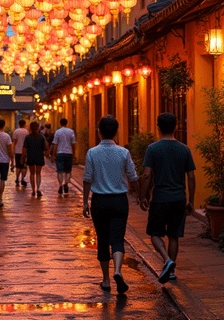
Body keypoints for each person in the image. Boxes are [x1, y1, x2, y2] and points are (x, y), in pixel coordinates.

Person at [83, 116, 140, 295]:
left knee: (102, 239)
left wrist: (85, 201)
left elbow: (87, 179)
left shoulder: (92, 152)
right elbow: (133, 176)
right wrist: (140, 194)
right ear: (116, 132)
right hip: (119, 201)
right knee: (117, 238)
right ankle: (117, 271)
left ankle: (106, 280)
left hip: (99, 201)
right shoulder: (124, 152)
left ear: (99, 131)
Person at [139, 113, 196, 284]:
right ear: (176, 127)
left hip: (160, 198)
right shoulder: (184, 149)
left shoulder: (153, 149)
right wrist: (191, 200)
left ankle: (166, 260)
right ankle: (171, 271)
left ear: (158, 127)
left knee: (155, 234)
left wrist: (143, 195)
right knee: (173, 236)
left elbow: (147, 175)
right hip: (179, 198)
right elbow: (191, 177)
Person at [22, 121, 48, 197]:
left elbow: (24, 149)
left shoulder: (28, 137)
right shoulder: (41, 137)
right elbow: (44, 148)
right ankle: (38, 188)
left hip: (30, 156)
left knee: (32, 173)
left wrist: (22, 158)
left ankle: (33, 190)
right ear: (38, 128)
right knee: (38, 173)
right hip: (39, 156)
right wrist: (46, 155)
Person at [51, 118, 76, 195]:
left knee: (60, 171)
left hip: (60, 153)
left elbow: (55, 144)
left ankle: (60, 185)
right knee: (68, 171)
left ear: (60, 123)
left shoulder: (57, 132)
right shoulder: (71, 131)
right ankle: (66, 184)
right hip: (69, 153)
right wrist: (74, 155)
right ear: (67, 123)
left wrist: (53, 155)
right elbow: (73, 144)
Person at [12, 119, 29, 186]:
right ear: (24, 124)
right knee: (24, 166)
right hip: (25, 151)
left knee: (18, 166)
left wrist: (13, 150)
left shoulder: (16, 131)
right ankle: (22, 179)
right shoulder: (27, 131)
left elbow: (15, 141)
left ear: (19, 124)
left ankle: (17, 178)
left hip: (17, 151)